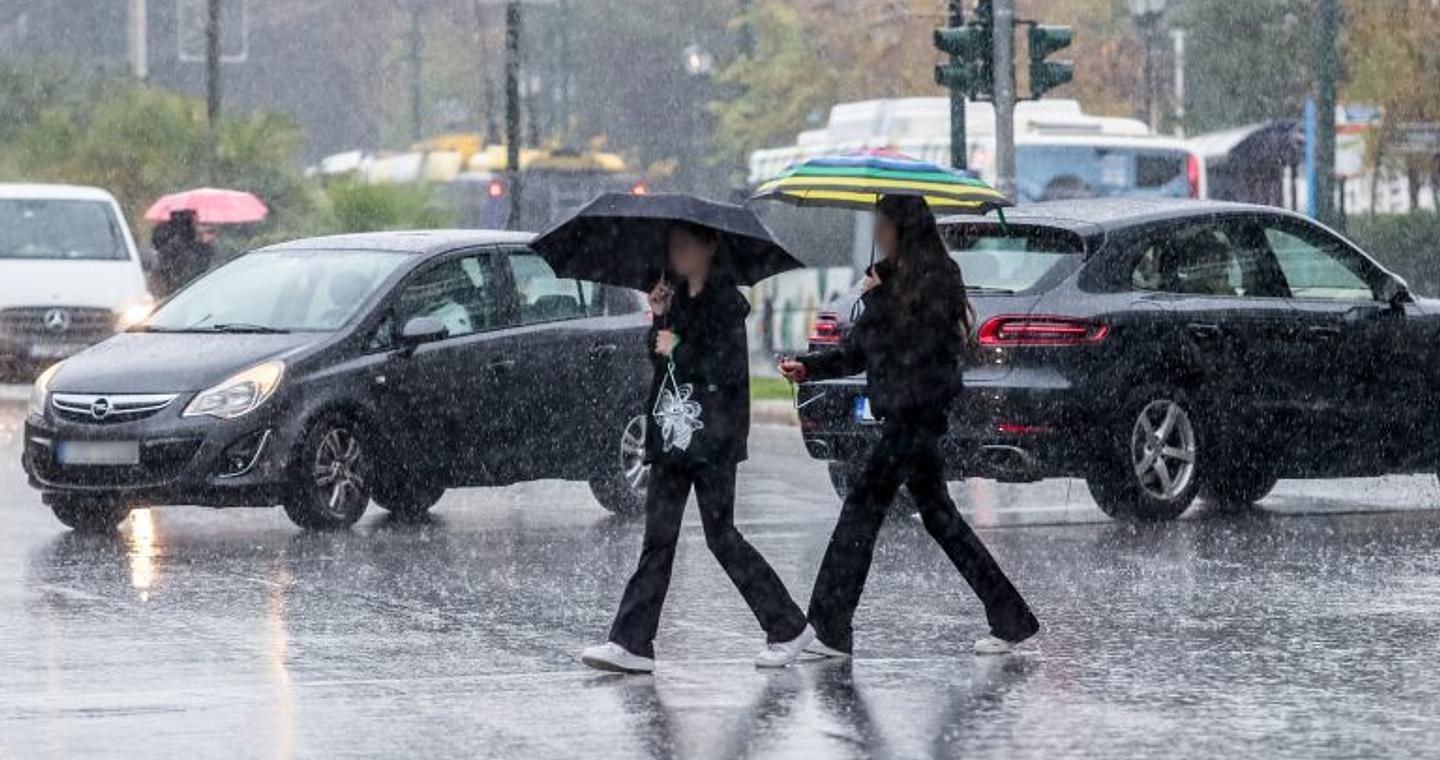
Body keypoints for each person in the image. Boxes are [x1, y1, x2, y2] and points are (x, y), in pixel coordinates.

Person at [780, 194, 1039, 657]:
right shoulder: (890, 277)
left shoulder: (939, 278)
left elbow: (921, 349)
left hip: (916, 416)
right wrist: (809, 367)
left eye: (883, 224)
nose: (878, 233)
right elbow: (861, 350)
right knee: (939, 517)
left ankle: (830, 627)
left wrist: (878, 298)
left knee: (860, 511)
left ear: (904, 227)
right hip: (902, 415)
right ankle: (1010, 616)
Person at [581, 222, 814, 674]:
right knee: (658, 539)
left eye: (685, 246)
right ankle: (631, 643)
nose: (677, 253)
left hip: (713, 439)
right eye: (672, 246)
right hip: (673, 435)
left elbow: (721, 372)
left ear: (710, 247)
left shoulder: (726, 304)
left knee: (721, 536)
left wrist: (678, 345)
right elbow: (662, 361)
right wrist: (658, 317)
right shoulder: (676, 298)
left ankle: (786, 626)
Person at [151, 210, 214, 298]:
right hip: (185, 294)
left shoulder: (172, 244)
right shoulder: (186, 248)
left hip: (176, 296)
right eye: (196, 222)